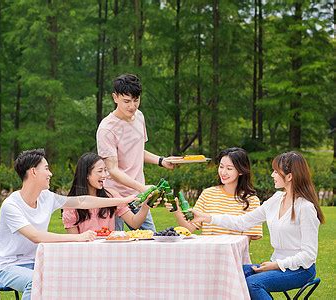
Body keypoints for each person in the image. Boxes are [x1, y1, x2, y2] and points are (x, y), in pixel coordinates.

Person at [0, 149, 136, 300]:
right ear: (33, 172)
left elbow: (82, 201)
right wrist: (78, 238)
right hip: (7, 268)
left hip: (37, 262)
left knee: (70, 278)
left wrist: (122, 201)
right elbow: (35, 236)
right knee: (33, 281)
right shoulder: (11, 205)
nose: (50, 174)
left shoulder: (46, 197)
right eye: (46, 168)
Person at [191, 151, 325, 300]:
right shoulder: (277, 199)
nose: (272, 175)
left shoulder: (305, 208)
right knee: (229, 273)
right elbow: (242, 222)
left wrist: (276, 265)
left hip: (300, 270)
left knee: (253, 283)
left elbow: (308, 256)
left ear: (289, 176)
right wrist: (207, 217)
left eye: (275, 171)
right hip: (276, 265)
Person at [96, 73, 175, 231]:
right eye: (126, 101)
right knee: (116, 242)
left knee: (150, 241)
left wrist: (161, 160)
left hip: (139, 194)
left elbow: (137, 151)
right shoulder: (107, 129)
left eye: (136, 100)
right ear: (115, 97)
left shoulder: (139, 117)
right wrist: (142, 187)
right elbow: (112, 169)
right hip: (114, 196)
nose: (132, 106)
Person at [166, 147, 263, 240]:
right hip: (207, 253)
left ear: (241, 171)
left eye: (229, 169)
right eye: (221, 167)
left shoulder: (251, 201)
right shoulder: (208, 194)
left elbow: (247, 241)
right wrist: (177, 210)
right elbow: (189, 229)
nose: (223, 172)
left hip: (232, 255)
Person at [62, 152, 152, 233]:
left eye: (105, 170)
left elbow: (134, 222)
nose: (104, 175)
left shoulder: (111, 195)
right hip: (86, 250)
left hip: (109, 249)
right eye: (100, 171)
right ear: (86, 175)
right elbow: (75, 241)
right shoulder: (71, 204)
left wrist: (145, 205)